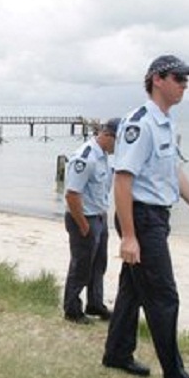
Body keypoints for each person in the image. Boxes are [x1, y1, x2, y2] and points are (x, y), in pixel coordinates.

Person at [102, 54, 189, 378]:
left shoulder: (165, 122)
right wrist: (128, 236)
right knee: (164, 297)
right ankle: (176, 377)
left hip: (154, 217)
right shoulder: (140, 123)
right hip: (140, 218)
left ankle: (117, 353)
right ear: (158, 79)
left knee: (133, 290)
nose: (185, 85)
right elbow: (122, 181)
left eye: (187, 80)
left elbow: (173, 172)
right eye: (179, 78)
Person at [63, 119, 119, 325]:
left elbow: (100, 190)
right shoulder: (86, 157)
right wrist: (83, 225)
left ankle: (95, 304)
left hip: (98, 217)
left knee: (98, 265)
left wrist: (103, 216)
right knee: (81, 266)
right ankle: (72, 309)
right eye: (118, 141)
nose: (119, 147)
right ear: (107, 135)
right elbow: (72, 194)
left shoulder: (104, 156)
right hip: (83, 219)